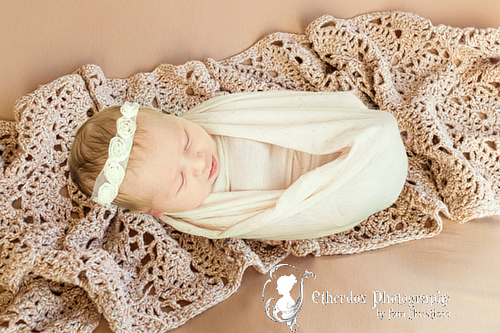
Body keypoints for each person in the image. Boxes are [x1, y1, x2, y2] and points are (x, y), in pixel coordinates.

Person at [69, 91, 408, 240]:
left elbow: (281, 114)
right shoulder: (208, 214)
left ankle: (367, 150)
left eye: (186, 141)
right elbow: (272, 219)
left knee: (377, 133)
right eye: (181, 182)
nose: (200, 162)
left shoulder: (215, 120)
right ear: (157, 211)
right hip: (313, 190)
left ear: (170, 116)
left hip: (314, 139)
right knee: (355, 188)